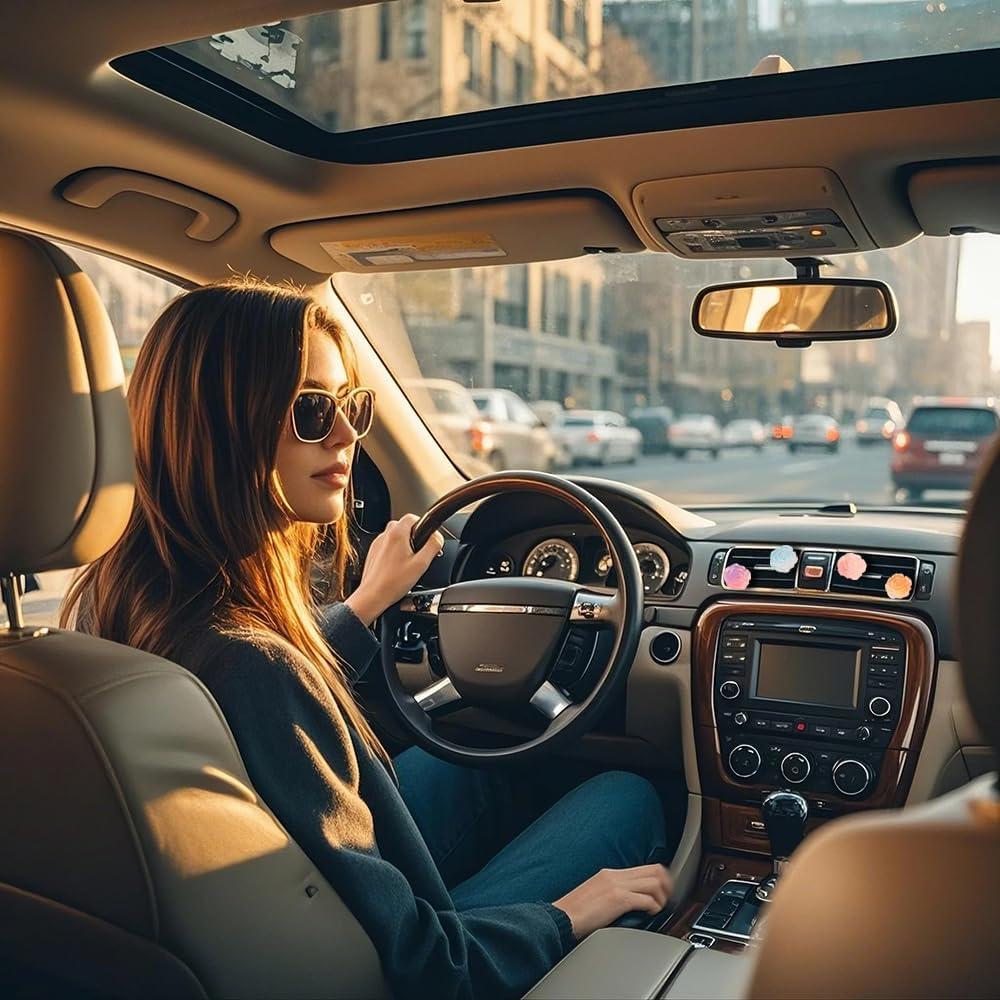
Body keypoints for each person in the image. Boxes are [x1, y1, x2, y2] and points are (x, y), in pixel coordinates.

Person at [62, 279, 673, 1000]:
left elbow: (267, 687)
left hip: (278, 925)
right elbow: (429, 967)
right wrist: (570, 913)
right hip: (416, 965)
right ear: (220, 423)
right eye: (312, 409)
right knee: (626, 796)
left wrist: (365, 605)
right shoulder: (252, 666)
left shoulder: (113, 603)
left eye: (351, 406)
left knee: (481, 764)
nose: (348, 435)